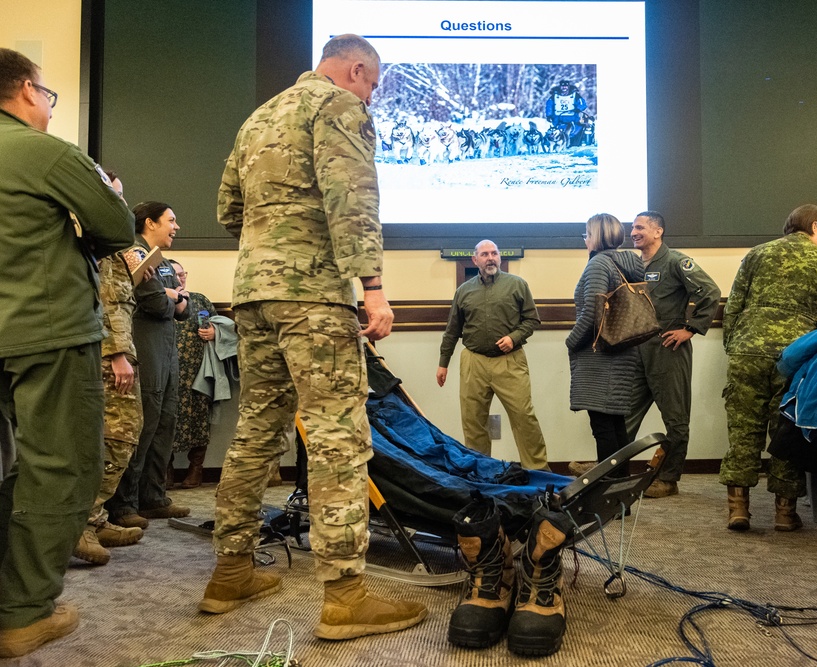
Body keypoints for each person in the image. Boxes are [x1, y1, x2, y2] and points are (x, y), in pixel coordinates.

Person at [201, 34, 427, 640]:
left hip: (252, 293)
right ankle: (346, 597)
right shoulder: (340, 107)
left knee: (256, 430)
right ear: (356, 69)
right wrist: (373, 287)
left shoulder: (260, 116)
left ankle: (230, 572)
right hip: (313, 297)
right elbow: (352, 199)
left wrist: (271, 245)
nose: (372, 97)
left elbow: (228, 208)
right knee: (338, 437)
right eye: (373, 84)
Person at [0, 48, 134, 658]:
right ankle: (22, 613)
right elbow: (117, 229)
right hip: (45, 333)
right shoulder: (44, 152)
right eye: (48, 95)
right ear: (28, 90)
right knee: (60, 468)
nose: (48, 106)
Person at [720, 204, 817, 532]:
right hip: (794, 354)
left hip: (747, 350)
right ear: (815, 226)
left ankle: (739, 510)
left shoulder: (756, 254)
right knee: (787, 429)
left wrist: (734, 347)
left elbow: (733, 307)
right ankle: (784, 513)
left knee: (743, 428)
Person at [72, 172, 147, 566]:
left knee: (121, 434)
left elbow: (120, 299)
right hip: (105, 354)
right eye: (112, 195)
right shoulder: (92, 240)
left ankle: (95, 517)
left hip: (116, 349)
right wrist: (117, 353)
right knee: (114, 436)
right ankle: (80, 523)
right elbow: (101, 300)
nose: (118, 202)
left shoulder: (113, 245)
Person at [106, 202, 191, 528]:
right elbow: (156, 302)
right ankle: (124, 504)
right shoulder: (135, 254)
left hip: (167, 350)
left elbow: (183, 307)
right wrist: (173, 298)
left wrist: (174, 297)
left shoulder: (163, 262)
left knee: (164, 424)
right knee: (142, 425)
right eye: (171, 220)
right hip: (146, 349)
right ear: (150, 223)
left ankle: (153, 497)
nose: (176, 226)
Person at [624, 211, 721, 497]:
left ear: (658, 231)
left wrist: (690, 328)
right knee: (623, 415)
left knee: (675, 419)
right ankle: (610, 473)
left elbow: (710, 292)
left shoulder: (677, 261)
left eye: (640, 227)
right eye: (632, 228)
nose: (633, 232)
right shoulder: (631, 264)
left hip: (668, 349)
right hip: (637, 350)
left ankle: (668, 479)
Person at [437, 240, 549, 470]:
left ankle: (539, 471)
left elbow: (532, 320)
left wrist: (514, 338)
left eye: (494, 253)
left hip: (510, 362)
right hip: (473, 363)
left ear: (500, 257)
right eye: (485, 254)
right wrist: (443, 364)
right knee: (473, 422)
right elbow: (452, 331)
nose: (490, 258)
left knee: (524, 418)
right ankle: (481, 473)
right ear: (475, 260)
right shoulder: (464, 291)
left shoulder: (517, 285)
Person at [565, 214, 645, 474]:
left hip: (600, 356)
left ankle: (609, 490)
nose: (585, 240)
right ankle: (620, 491)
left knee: (602, 427)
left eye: (587, 234)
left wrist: (571, 341)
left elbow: (592, 312)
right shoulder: (629, 262)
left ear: (597, 236)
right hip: (622, 351)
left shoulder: (599, 264)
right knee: (615, 423)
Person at [167, 260, 218, 489]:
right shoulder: (160, 299)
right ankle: (164, 472)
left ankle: (195, 470)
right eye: (175, 275)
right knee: (166, 422)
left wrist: (215, 332)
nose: (181, 278)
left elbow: (219, 323)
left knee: (200, 421)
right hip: (169, 371)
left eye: (183, 273)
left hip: (198, 372)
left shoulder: (200, 300)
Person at [544, 79, 588, 146]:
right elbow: (549, 105)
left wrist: (579, 109)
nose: (564, 87)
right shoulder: (554, 96)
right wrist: (549, 115)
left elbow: (582, 103)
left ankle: (577, 143)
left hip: (573, 117)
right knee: (557, 131)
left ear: (568, 87)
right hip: (558, 118)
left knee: (578, 129)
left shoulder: (575, 95)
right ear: (560, 87)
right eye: (562, 86)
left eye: (566, 86)